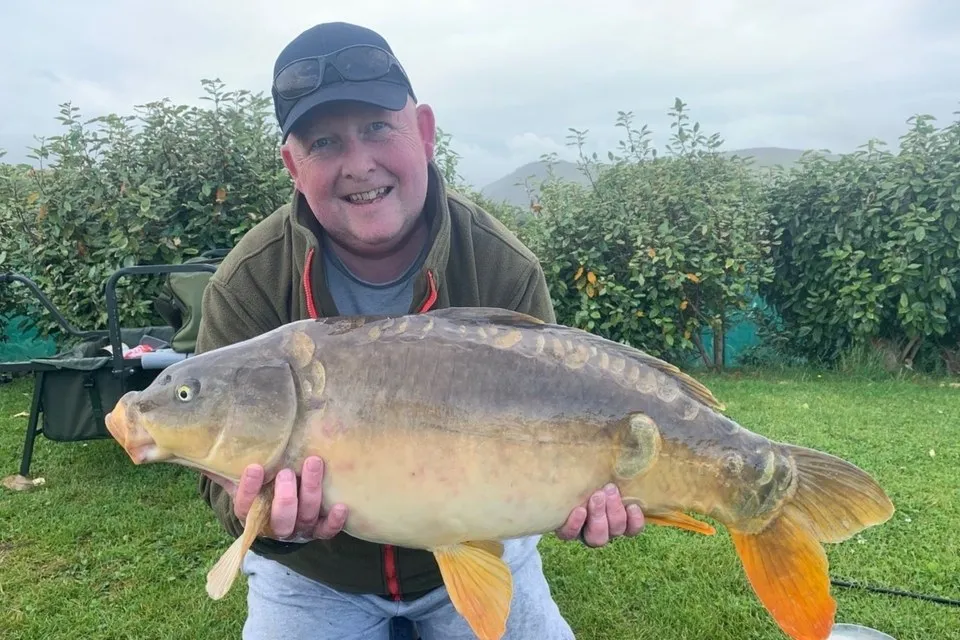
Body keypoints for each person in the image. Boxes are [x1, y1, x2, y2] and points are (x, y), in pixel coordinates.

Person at [194, 21, 646, 640]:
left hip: (479, 547)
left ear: (426, 133)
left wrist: (590, 495)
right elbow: (216, 481)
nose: (359, 165)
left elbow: (561, 415)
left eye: (378, 128)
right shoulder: (247, 282)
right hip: (318, 577)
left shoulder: (500, 265)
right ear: (292, 167)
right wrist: (260, 515)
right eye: (324, 143)